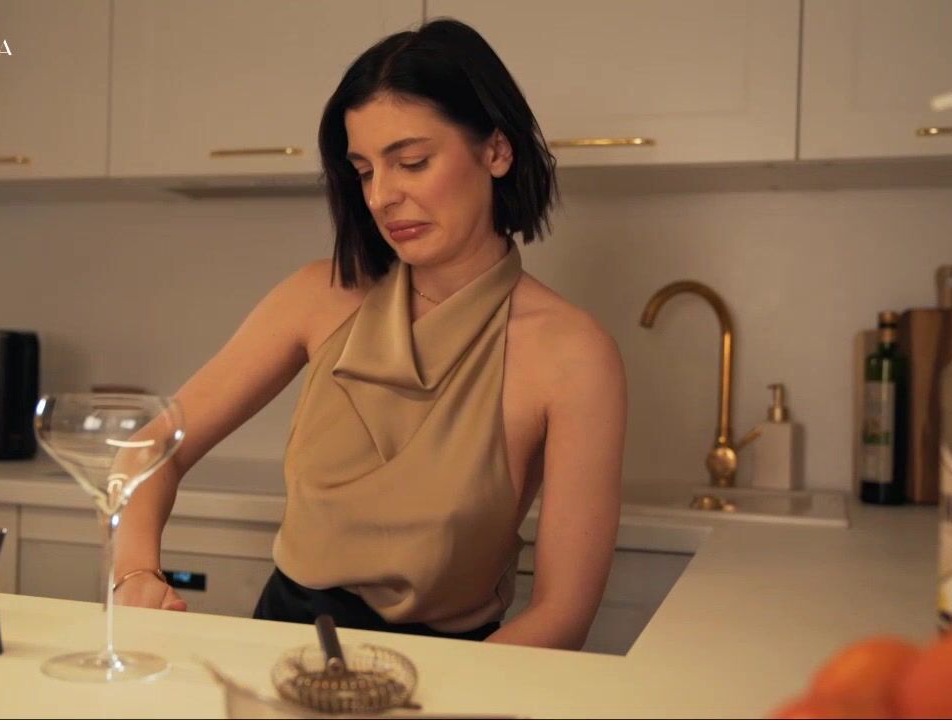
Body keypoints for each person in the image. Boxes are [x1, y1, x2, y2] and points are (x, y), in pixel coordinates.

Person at [113, 18, 626, 651]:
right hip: (281, 655)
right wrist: (135, 574)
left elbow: (563, 615)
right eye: (363, 171)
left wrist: (445, 696)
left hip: (455, 674)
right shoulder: (319, 296)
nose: (381, 196)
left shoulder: (573, 354)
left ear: (496, 151)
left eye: (412, 162)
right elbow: (151, 447)